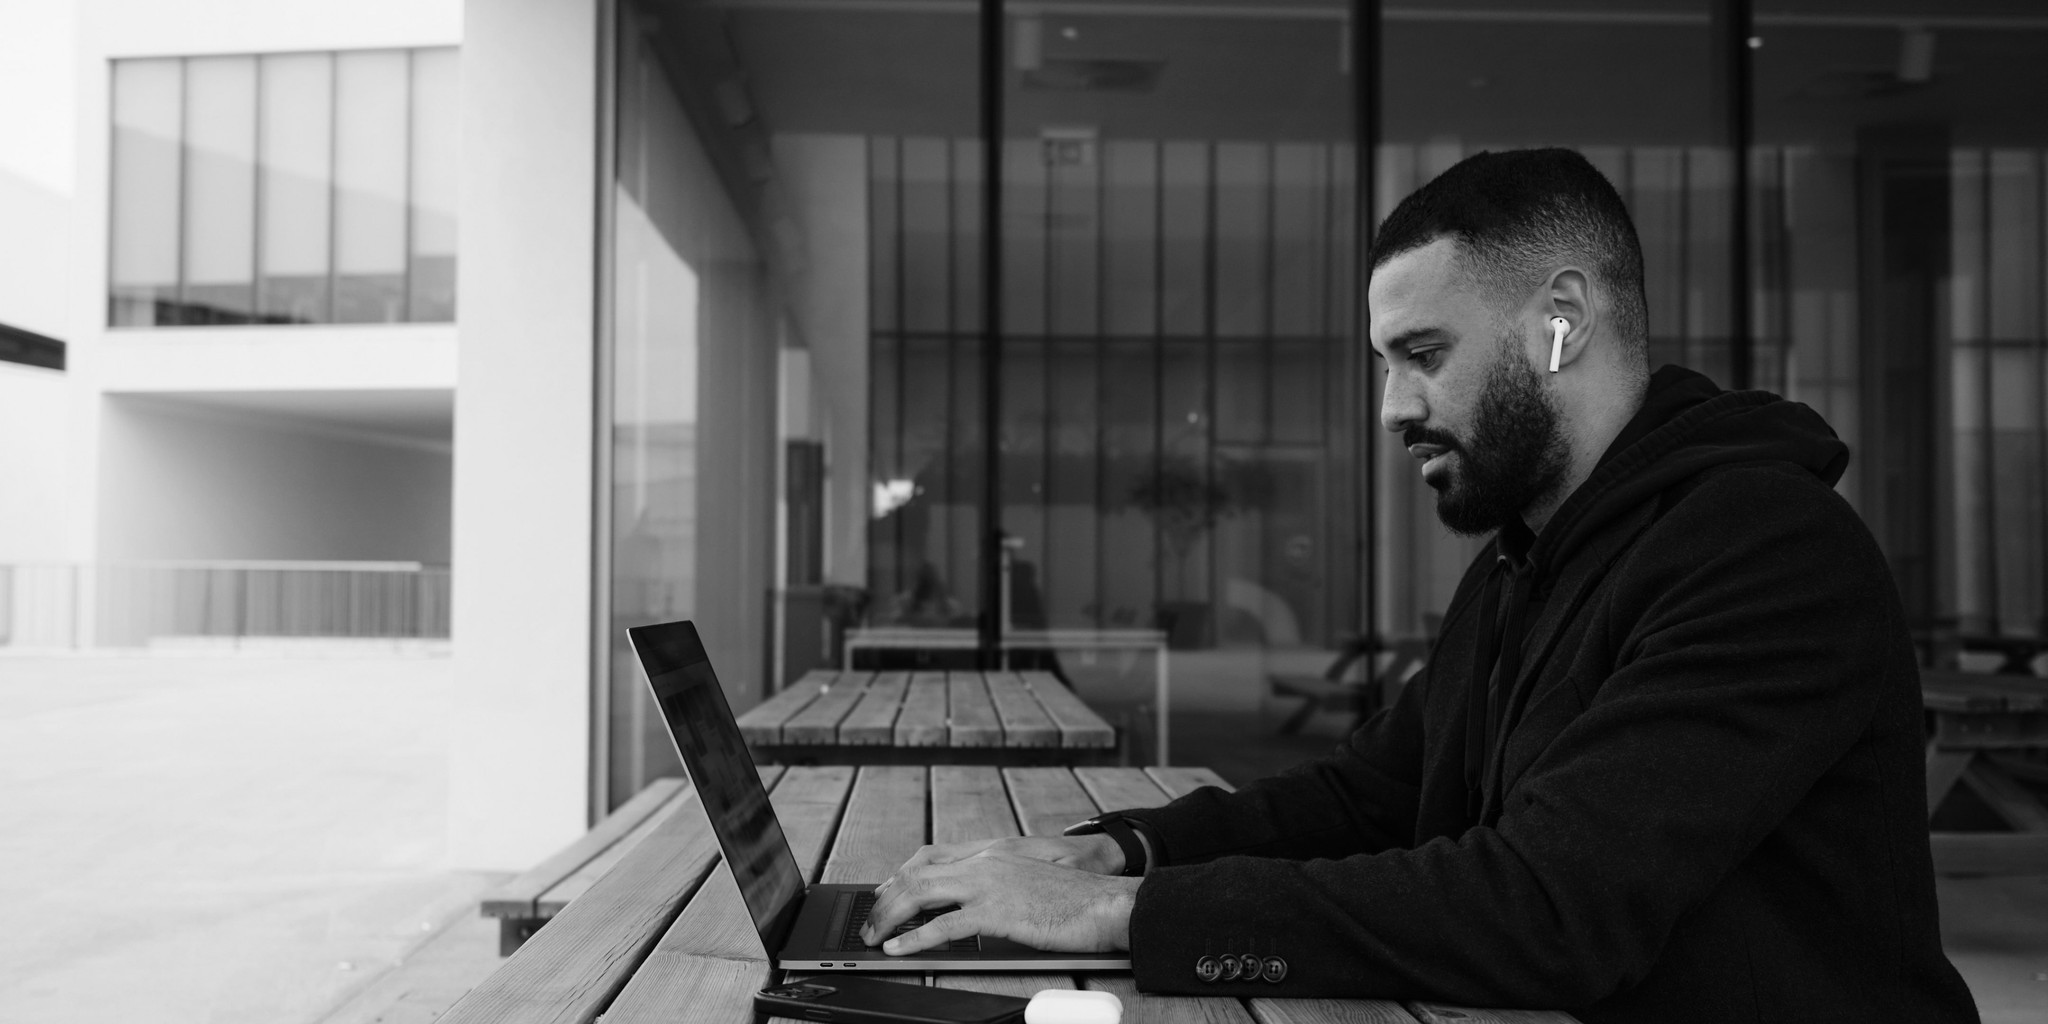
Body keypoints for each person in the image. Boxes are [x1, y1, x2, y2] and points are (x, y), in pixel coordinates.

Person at [857, 148, 1979, 1023]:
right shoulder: (1526, 558)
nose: (1392, 411)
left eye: (1423, 354)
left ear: (1558, 322)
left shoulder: (1764, 549)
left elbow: (1548, 906)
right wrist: (1116, 849)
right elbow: (1368, 798)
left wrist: (1112, 914)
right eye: (1383, 365)